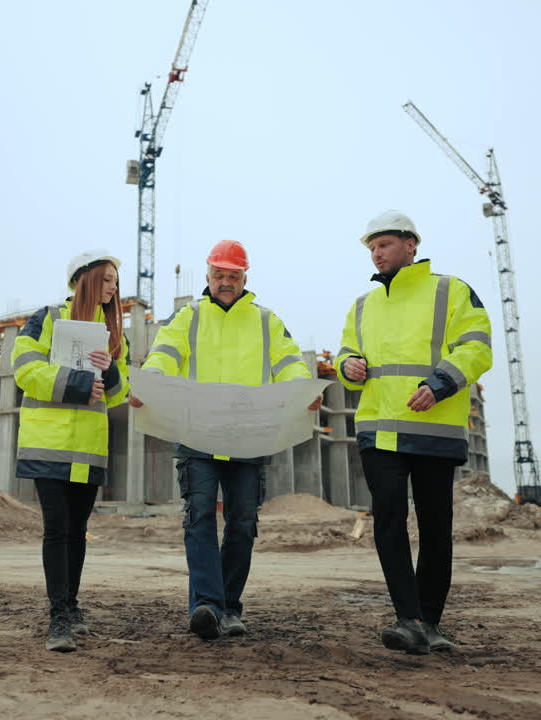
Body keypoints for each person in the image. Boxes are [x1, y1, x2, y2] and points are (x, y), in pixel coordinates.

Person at [131, 239, 319, 640]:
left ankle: (229, 607)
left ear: (245, 277)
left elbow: (288, 363)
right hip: (197, 434)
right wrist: (151, 384)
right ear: (207, 276)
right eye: (219, 275)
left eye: (233, 276)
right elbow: (163, 354)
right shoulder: (188, 318)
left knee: (242, 522)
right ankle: (207, 606)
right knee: (199, 514)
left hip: (248, 437)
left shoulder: (266, 320)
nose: (225, 282)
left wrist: (304, 390)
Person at [335, 211, 492, 655]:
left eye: (383, 244)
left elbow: (477, 345)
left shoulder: (450, 290)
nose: (376, 253)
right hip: (379, 430)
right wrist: (349, 365)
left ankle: (431, 620)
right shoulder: (363, 304)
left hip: (434, 429)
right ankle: (409, 619)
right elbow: (349, 348)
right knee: (387, 519)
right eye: (371, 247)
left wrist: (439, 384)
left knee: (436, 526)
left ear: (411, 244)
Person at [14, 249, 131, 652]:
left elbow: (121, 395)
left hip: (88, 447)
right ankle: (58, 617)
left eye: (116, 282)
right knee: (57, 529)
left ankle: (72, 607)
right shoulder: (46, 318)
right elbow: (25, 369)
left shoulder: (115, 333)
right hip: (49, 443)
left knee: (78, 532)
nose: (113, 288)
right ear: (86, 278)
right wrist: (78, 383)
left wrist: (111, 370)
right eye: (107, 279)